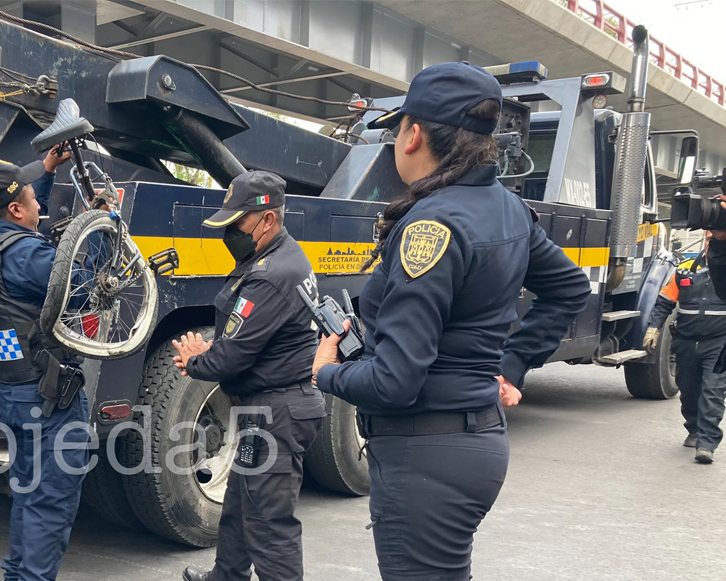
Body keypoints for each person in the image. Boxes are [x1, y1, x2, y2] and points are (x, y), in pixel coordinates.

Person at [310, 62, 590, 580]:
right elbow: (570, 288)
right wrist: (512, 364)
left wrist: (327, 372)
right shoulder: (508, 208)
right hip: (474, 441)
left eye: (397, 130)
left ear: (414, 134)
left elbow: (394, 383)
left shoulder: (430, 226)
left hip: (425, 456)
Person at [173, 171, 326, 581]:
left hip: (278, 414)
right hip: (267, 410)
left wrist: (196, 361)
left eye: (238, 223)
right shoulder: (277, 257)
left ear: (267, 219)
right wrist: (214, 350)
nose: (230, 233)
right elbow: (247, 338)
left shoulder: (272, 274)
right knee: (240, 505)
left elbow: (231, 359)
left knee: (269, 526)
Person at [0, 146, 87, 581]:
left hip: (13, 395)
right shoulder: (26, 255)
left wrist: (45, 172)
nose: (40, 206)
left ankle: (17, 576)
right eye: (34, 199)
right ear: (15, 208)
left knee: (28, 494)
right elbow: (84, 288)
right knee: (52, 501)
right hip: (50, 400)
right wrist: (100, 230)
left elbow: (22, 222)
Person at [645, 232, 726, 464]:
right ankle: (694, 428)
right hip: (686, 341)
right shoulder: (684, 269)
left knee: (713, 391)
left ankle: (707, 443)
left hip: (719, 343)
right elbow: (664, 302)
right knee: (688, 389)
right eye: (710, 240)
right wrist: (653, 328)